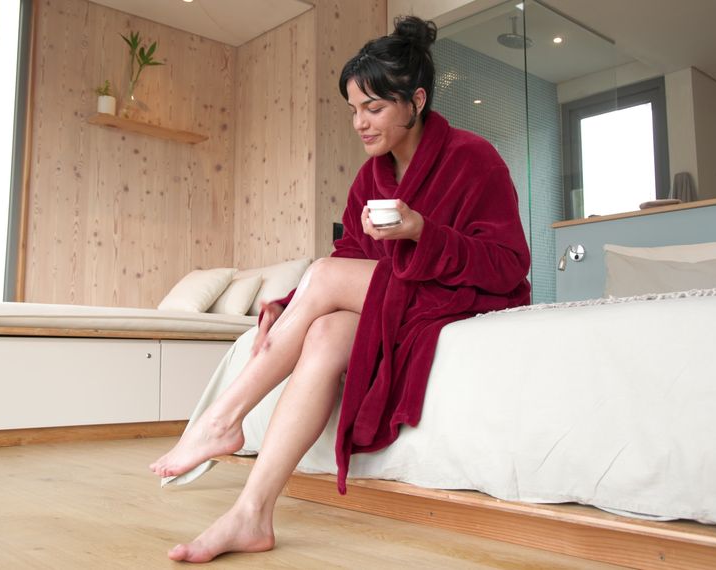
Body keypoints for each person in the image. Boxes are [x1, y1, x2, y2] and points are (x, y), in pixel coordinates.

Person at [149, 15, 531, 563]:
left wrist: (423, 231)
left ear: (416, 101)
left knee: (324, 277)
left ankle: (221, 420)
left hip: (463, 295)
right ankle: (252, 514)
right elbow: (352, 259)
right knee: (325, 329)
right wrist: (286, 307)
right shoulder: (370, 177)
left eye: (373, 108)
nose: (360, 123)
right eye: (354, 109)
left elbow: (508, 264)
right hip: (395, 294)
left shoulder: (473, 158)